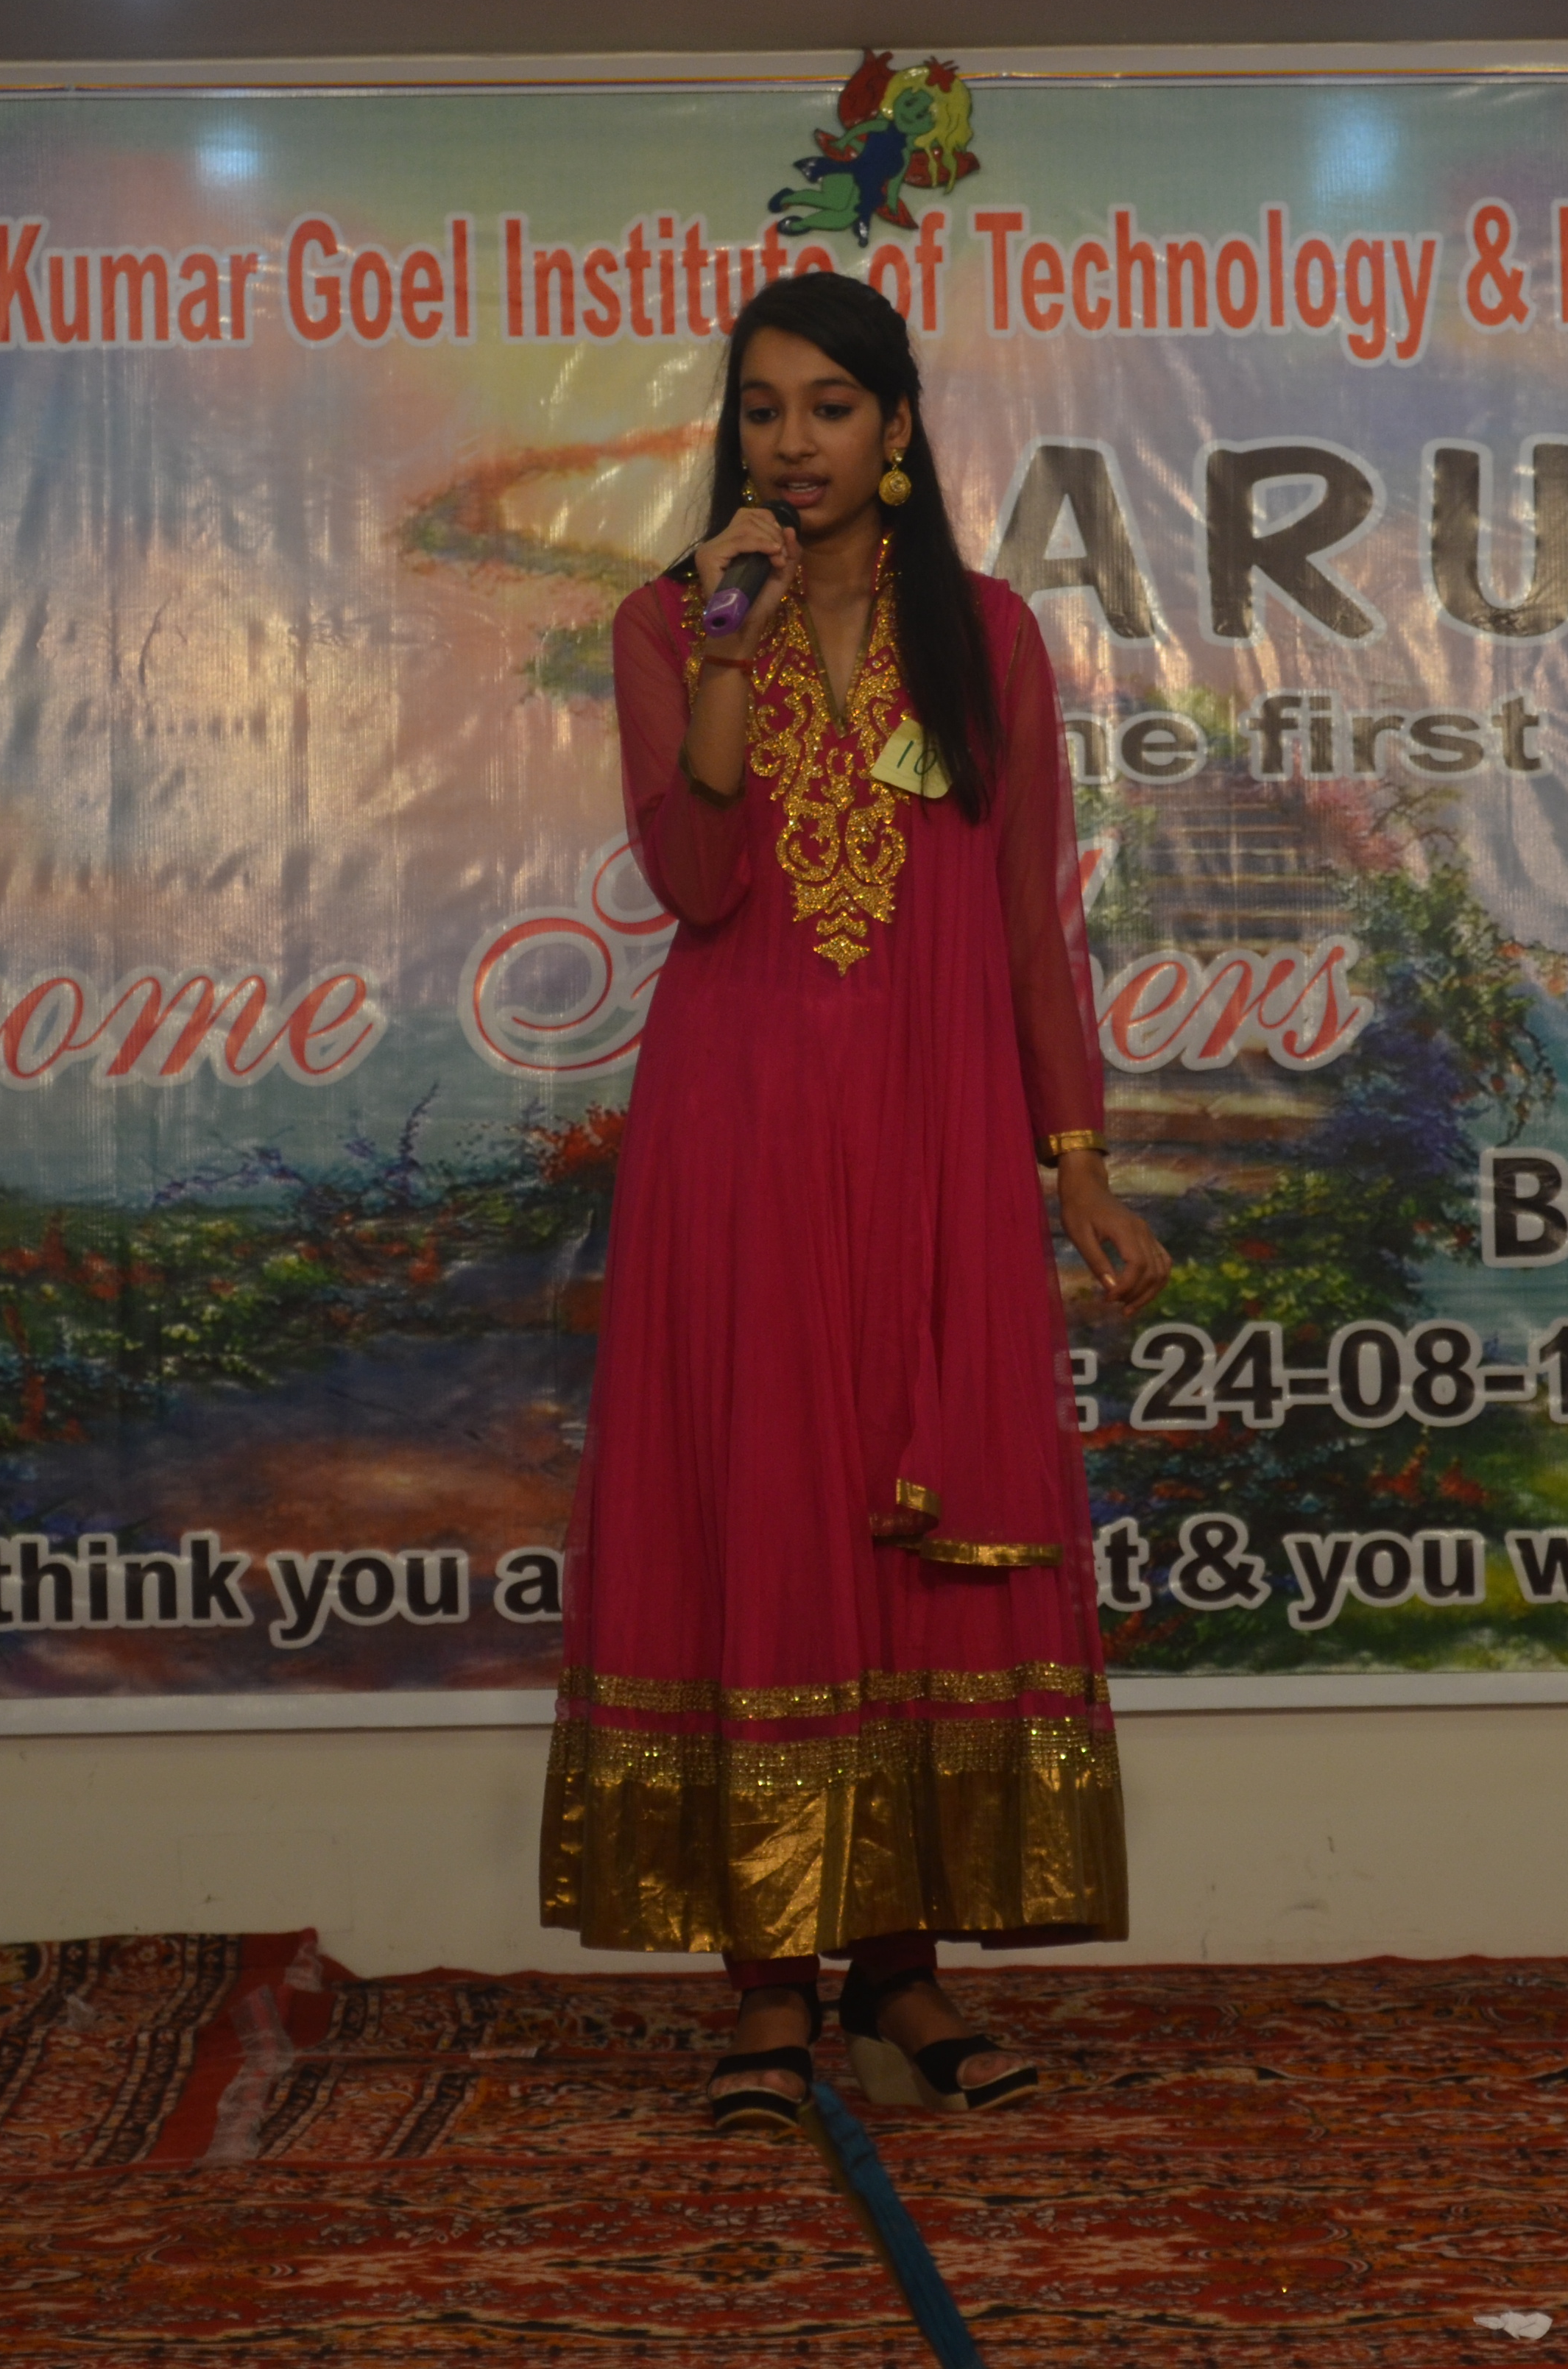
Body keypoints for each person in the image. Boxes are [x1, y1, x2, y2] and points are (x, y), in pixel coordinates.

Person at [539, 273, 1170, 2132]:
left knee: (915, 1529)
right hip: (736, 1142)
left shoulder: (986, 635)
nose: (792, 442)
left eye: (830, 407)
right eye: (761, 409)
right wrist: (728, 646)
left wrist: (1077, 1163)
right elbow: (698, 879)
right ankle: (764, 1991)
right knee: (766, 1518)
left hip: (934, 1137)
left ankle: (900, 1977)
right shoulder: (666, 623)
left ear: (897, 429)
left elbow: (1026, 915)